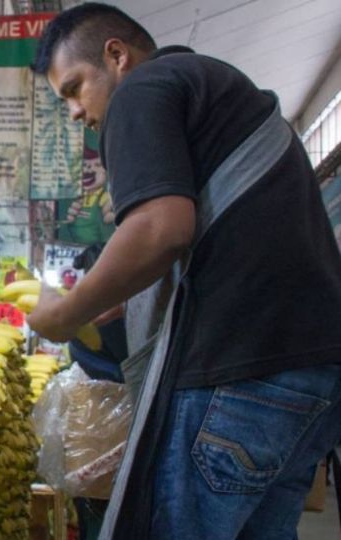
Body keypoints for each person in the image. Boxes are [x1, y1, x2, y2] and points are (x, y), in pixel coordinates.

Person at [27, 3, 341, 539]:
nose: (75, 112)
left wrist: (64, 315)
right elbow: (211, 234)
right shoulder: (214, 90)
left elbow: (159, 228)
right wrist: (124, 298)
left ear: (117, 55)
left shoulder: (142, 91)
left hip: (238, 371)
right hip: (311, 373)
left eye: (74, 88)